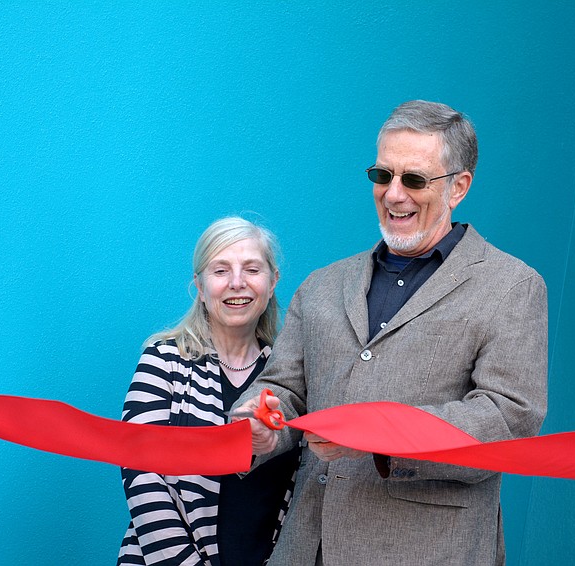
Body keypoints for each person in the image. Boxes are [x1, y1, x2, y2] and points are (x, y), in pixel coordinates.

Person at [233, 100, 548, 565]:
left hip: (429, 551)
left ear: (459, 187)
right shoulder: (323, 284)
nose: (393, 194)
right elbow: (283, 390)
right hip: (306, 547)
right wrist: (259, 428)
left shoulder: (513, 287)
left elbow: (509, 420)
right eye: (383, 176)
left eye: (414, 179)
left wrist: (380, 436)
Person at [117, 217, 300, 566]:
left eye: (251, 269)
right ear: (199, 286)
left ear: (273, 281)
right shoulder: (163, 361)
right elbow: (140, 474)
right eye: (220, 271)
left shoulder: (288, 376)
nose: (237, 283)